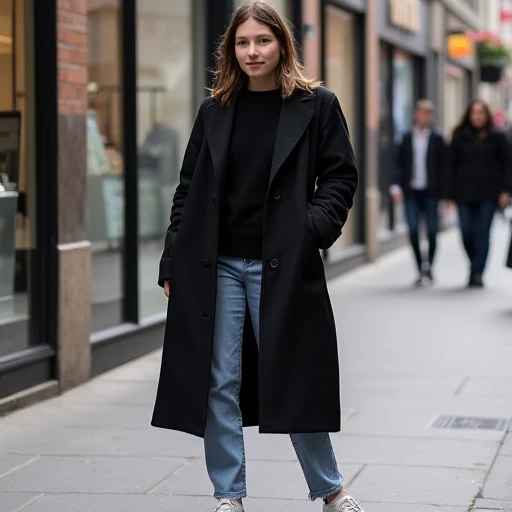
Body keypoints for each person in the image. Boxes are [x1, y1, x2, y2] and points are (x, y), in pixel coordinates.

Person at [151, 2, 362, 511]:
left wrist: (310, 228)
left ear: (281, 45)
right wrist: (170, 259)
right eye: (242, 43)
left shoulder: (318, 104)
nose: (252, 52)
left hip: (283, 265)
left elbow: (340, 176)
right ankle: (230, 495)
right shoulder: (215, 110)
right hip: (215, 264)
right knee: (219, 382)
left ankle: (330, 490)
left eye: (262, 41)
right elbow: (187, 191)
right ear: (231, 50)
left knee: (294, 376)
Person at [445, 99, 512, 287]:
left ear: (486, 115)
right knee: (466, 231)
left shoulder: (498, 136)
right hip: (463, 193)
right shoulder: (459, 136)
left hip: (489, 194)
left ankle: (478, 271)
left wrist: (507, 190)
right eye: (474, 112)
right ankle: (474, 263)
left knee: (483, 232)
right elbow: (450, 166)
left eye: (481, 112)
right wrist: (448, 195)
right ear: (469, 115)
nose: (477, 116)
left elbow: (508, 164)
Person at [390, 99, 446, 285]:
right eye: (422, 112)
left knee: (431, 231)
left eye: (428, 113)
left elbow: (443, 167)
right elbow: (397, 164)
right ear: (416, 114)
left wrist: (446, 195)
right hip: (411, 192)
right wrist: (395, 186)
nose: (425, 116)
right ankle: (419, 266)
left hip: (431, 192)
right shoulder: (405, 137)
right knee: (413, 229)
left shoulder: (437, 138)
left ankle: (429, 266)